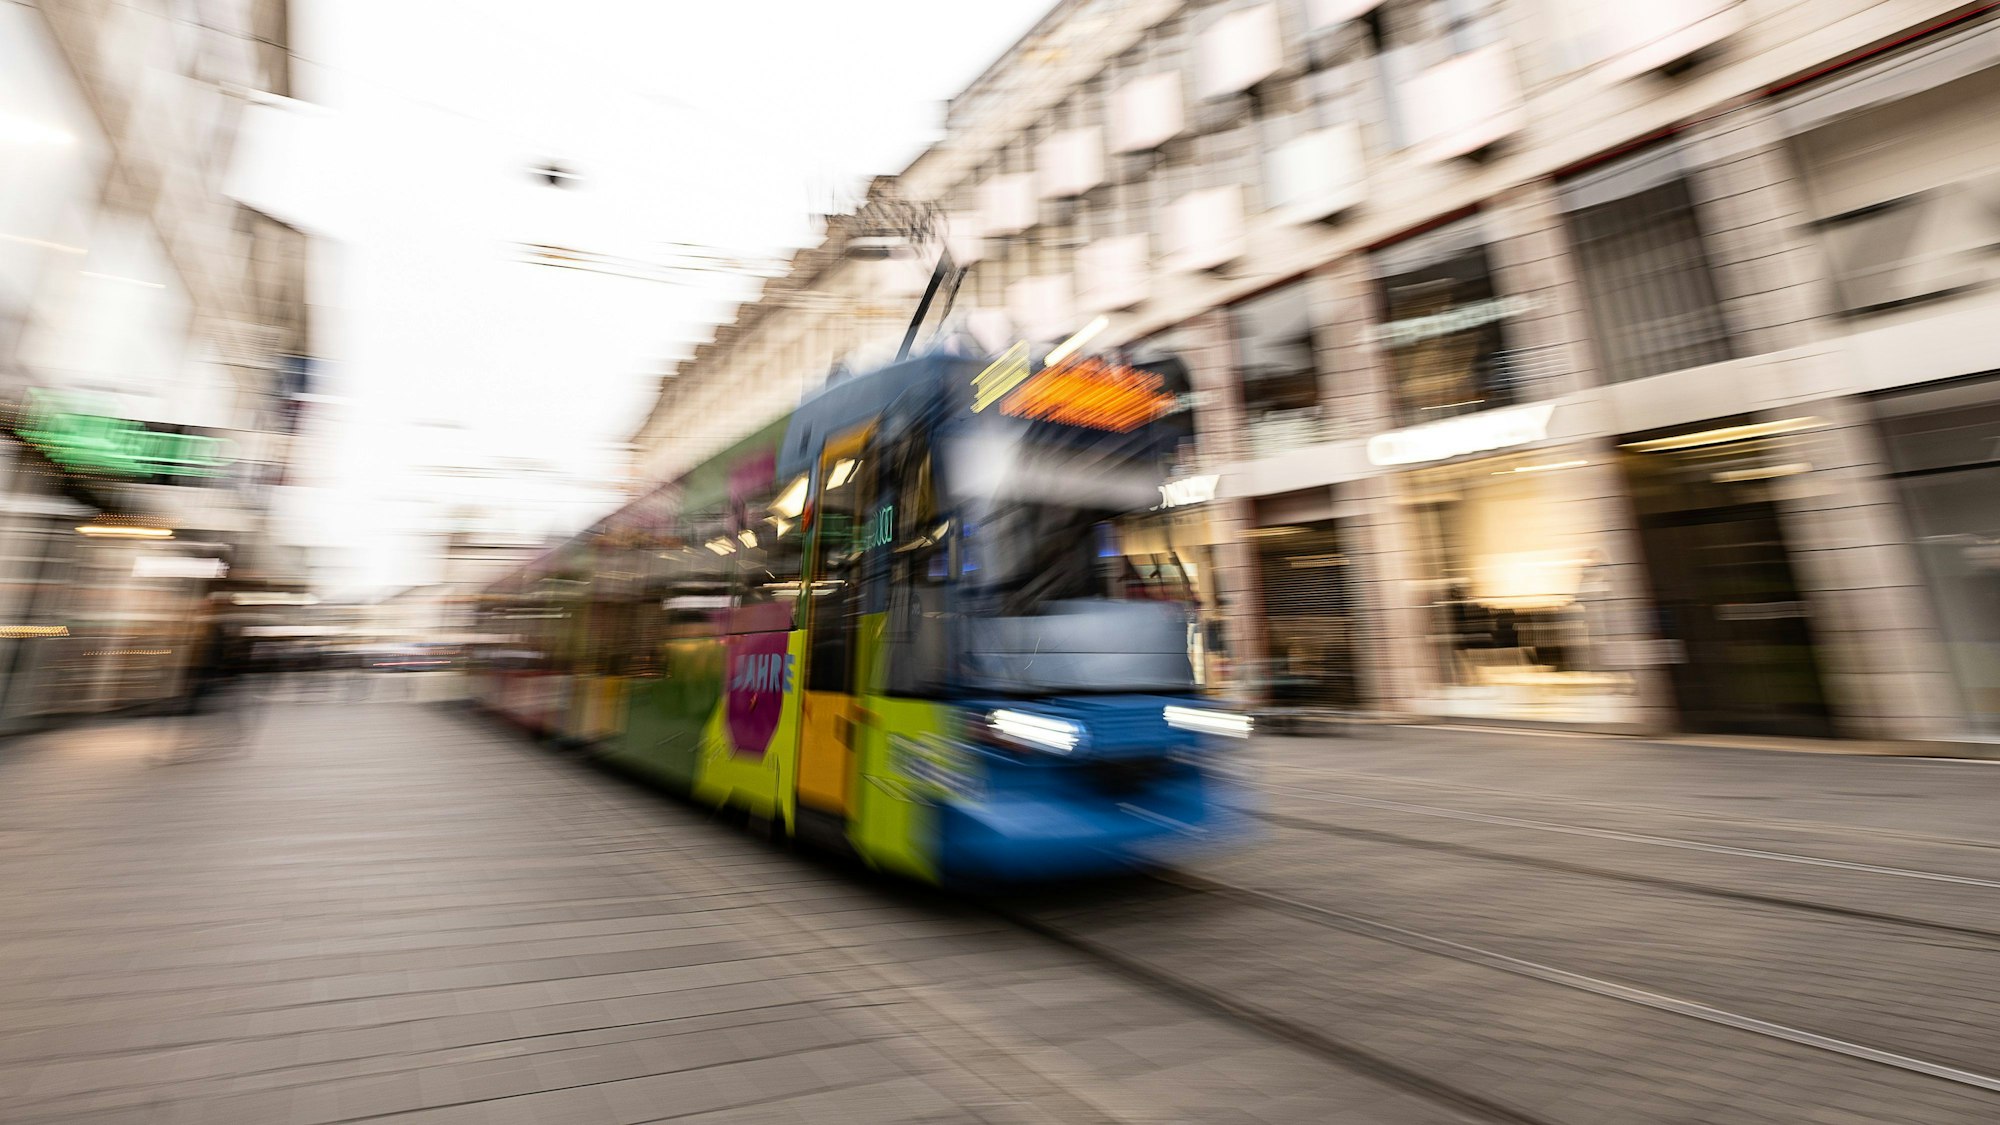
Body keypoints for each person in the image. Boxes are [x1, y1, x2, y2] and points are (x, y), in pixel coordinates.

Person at [154, 603, 254, 762]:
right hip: (203, 676)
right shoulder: (208, 629)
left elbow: (218, 654)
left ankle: (178, 747)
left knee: (217, 711)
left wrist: (224, 673)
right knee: (221, 711)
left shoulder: (213, 630)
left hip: (208, 676)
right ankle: (234, 739)